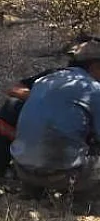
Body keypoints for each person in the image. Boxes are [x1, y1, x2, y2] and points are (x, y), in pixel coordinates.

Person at [9, 38, 100, 200]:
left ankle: (34, 190)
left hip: (22, 169)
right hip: (65, 176)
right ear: (95, 66)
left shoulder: (44, 80)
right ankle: (82, 201)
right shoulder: (93, 90)